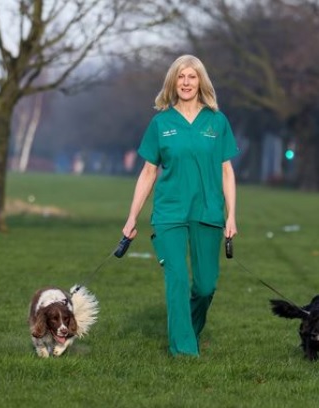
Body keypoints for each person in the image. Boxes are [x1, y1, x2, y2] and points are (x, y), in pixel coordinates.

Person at [121, 54, 239, 357]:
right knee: (176, 279)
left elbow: (227, 170)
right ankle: (184, 350)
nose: (186, 82)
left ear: (201, 82)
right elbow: (148, 172)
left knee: (205, 287)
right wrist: (132, 217)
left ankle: (189, 332)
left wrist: (231, 216)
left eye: (192, 76)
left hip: (208, 212)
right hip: (169, 213)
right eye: (181, 77)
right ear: (173, 82)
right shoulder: (161, 123)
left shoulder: (217, 120)